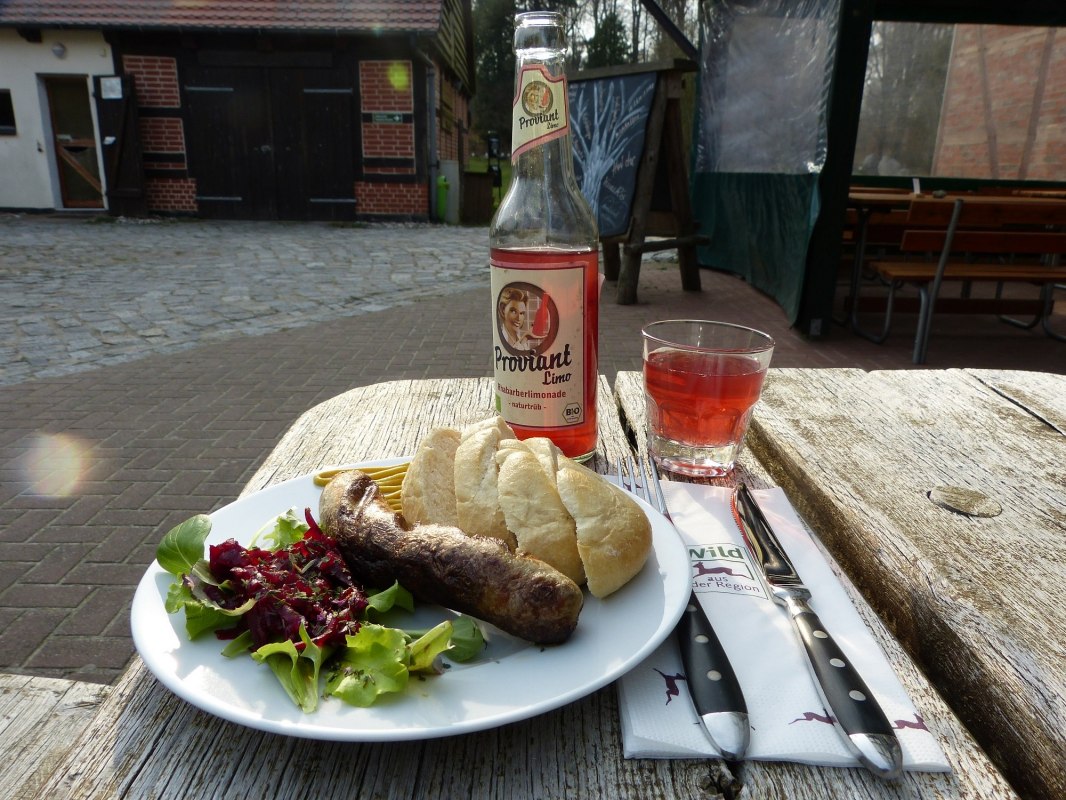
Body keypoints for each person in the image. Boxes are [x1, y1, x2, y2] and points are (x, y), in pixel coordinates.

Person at [497, 287, 544, 352]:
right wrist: (525, 337)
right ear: (503, 310)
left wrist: (526, 337)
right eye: (513, 311)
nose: (518, 318)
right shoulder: (503, 338)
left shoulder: (518, 338)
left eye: (522, 313)